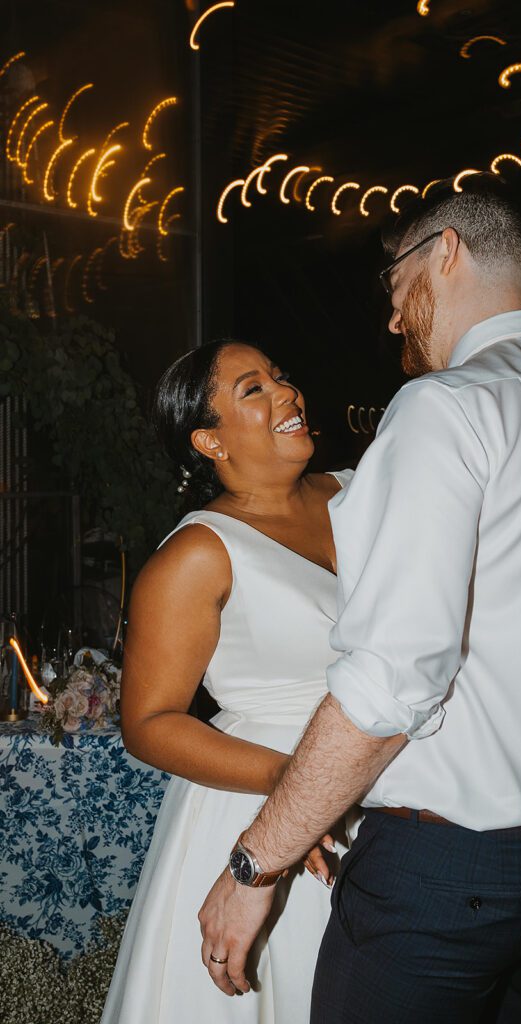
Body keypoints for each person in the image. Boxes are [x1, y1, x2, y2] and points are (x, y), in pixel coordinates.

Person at [198, 178, 521, 1023]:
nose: (394, 319)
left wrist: (256, 865)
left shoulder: (448, 406)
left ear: (443, 253)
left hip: (445, 873)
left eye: (393, 287)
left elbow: (392, 681)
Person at [100, 339, 354, 1024]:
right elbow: (149, 724)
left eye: (281, 376)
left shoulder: (363, 491)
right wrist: (292, 789)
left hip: (392, 784)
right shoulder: (196, 554)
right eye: (254, 390)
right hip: (259, 795)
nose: (286, 394)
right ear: (209, 439)